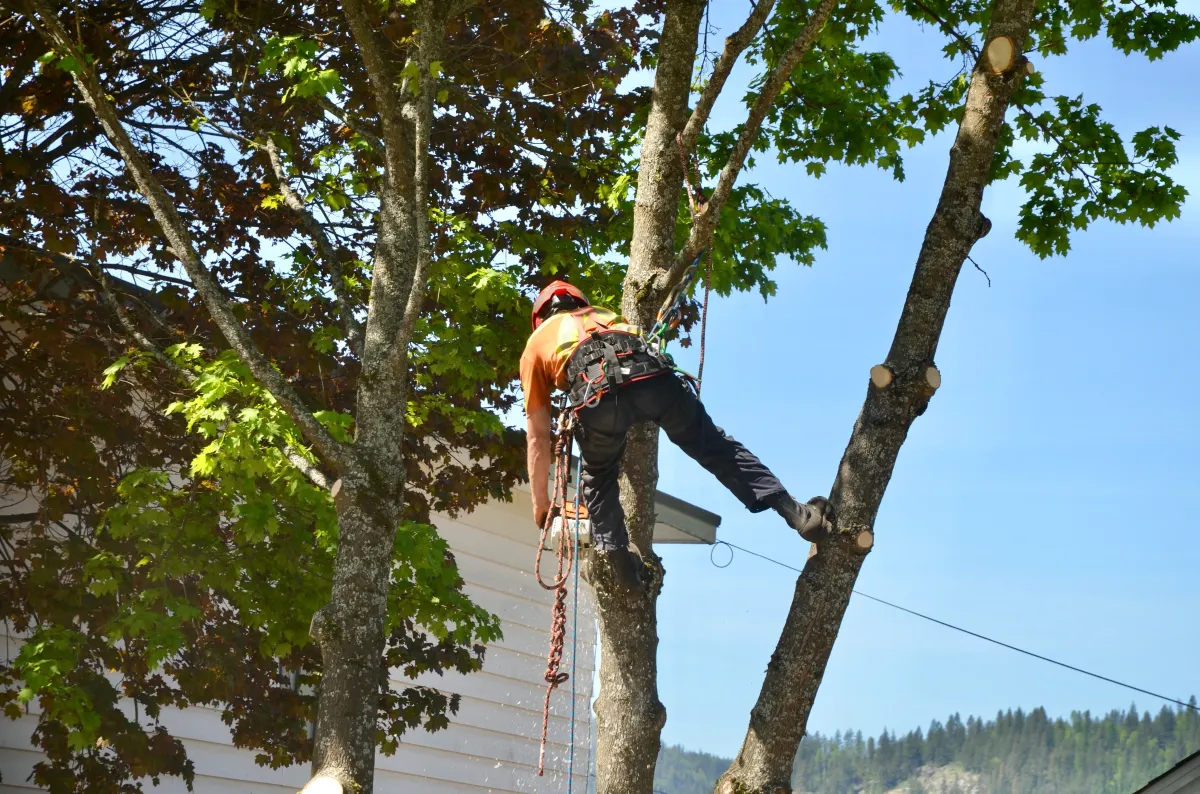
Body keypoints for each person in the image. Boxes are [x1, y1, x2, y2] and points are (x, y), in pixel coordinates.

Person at [520, 280, 834, 593]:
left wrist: (542, 506)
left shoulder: (537, 343)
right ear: (580, 301)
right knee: (715, 447)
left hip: (598, 399)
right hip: (654, 381)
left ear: (540, 317)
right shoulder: (606, 315)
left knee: (599, 480)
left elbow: (537, 437)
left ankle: (623, 568)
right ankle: (799, 514)